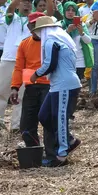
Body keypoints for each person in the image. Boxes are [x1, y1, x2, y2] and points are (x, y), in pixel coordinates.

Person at [31, 16, 82, 167]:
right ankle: (70, 140)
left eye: (39, 31)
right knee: (45, 116)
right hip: (57, 85)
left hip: (64, 85)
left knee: (59, 118)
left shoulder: (50, 41)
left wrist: (36, 74)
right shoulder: (61, 40)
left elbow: (50, 64)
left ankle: (61, 154)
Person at [11, 13, 53, 159]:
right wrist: (15, 87)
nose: (35, 28)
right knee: (26, 127)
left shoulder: (52, 42)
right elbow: (18, 67)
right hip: (31, 87)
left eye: (38, 25)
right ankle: (35, 152)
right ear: (29, 27)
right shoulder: (24, 44)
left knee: (48, 121)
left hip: (49, 86)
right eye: (32, 25)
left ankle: (51, 154)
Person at [0, 0, 33, 131]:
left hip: (26, 62)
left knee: (22, 95)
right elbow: (10, 7)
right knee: (0, 92)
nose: (26, 5)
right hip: (8, 59)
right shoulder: (10, 18)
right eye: (24, 2)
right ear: (18, 4)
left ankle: (16, 126)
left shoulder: (33, 21)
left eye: (29, 2)